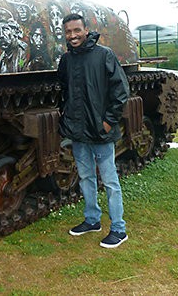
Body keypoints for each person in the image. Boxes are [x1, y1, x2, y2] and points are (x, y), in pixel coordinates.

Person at [57, 13, 130, 249]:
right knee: (86, 177)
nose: (73, 35)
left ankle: (118, 229)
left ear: (86, 30)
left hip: (100, 131)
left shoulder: (104, 55)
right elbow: (65, 91)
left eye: (76, 30)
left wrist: (108, 122)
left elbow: (120, 91)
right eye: (68, 31)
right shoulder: (66, 60)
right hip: (79, 132)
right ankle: (92, 220)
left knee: (110, 181)